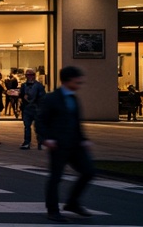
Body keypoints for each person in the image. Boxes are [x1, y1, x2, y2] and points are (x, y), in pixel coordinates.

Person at [36, 65, 94, 222]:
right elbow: (40, 120)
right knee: (55, 178)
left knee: (89, 172)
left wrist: (84, 139)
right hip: (58, 144)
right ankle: (53, 210)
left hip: (75, 144)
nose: (79, 84)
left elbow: (76, 122)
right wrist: (46, 139)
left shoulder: (74, 98)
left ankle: (72, 202)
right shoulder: (52, 98)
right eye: (77, 81)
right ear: (68, 81)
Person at [19, 68, 47, 150]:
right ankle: (27, 142)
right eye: (27, 75)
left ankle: (40, 142)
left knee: (38, 126)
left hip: (36, 108)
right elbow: (21, 95)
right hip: (27, 108)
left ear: (34, 75)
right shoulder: (24, 85)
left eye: (31, 75)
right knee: (27, 126)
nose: (29, 77)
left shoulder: (38, 85)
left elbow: (42, 97)